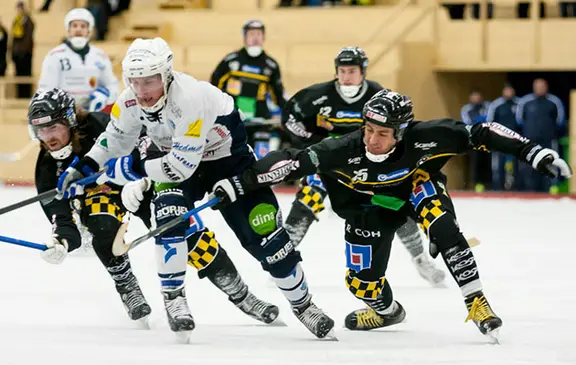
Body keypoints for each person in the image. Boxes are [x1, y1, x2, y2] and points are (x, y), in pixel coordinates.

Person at [210, 89, 572, 342]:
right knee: (361, 284)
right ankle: (387, 311)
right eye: (368, 130)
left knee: (445, 229)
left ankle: (476, 302)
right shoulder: (342, 149)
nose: (372, 140)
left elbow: (482, 132)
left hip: (415, 190)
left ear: (401, 132)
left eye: (382, 134)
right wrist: (240, 183)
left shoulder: (428, 137)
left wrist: (534, 152)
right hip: (370, 211)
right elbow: (291, 159)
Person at [57, 38, 335, 340]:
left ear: (166, 75)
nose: (141, 91)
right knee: (169, 219)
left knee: (267, 236)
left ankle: (305, 306)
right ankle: (175, 300)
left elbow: (180, 167)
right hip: (176, 160)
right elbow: (115, 139)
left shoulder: (188, 97)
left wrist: (133, 170)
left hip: (227, 162)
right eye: (134, 81)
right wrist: (84, 166)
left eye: (149, 81)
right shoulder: (129, 100)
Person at [32, 88, 280, 326]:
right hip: (102, 196)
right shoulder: (45, 169)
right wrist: (61, 242)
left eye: (53, 127)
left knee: (189, 234)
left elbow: (151, 144)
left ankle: (241, 294)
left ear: (70, 120)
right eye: (40, 131)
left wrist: (143, 179)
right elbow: (62, 220)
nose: (49, 138)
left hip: (141, 183)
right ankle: (127, 286)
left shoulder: (103, 125)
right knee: (101, 224)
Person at [282, 47, 445, 287]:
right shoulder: (318, 95)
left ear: (363, 72)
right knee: (307, 199)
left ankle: (420, 259)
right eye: (342, 71)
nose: (346, 76)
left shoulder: (378, 94)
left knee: (393, 207)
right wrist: (311, 140)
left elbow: (402, 127)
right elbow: (290, 116)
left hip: (370, 165)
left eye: (352, 71)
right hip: (331, 163)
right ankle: (283, 258)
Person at [210, 20, 286, 159]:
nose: (255, 38)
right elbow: (215, 87)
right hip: (234, 120)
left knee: (260, 160)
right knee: (233, 159)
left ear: (264, 37)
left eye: (259, 34)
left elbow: (279, 95)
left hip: (260, 121)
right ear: (244, 36)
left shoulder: (271, 65)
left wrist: (288, 113)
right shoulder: (230, 60)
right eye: (251, 34)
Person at [38, 8, 119, 113]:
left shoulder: (100, 56)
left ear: (89, 30)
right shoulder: (55, 56)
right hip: (64, 112)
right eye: (74, 26)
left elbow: (112, 84)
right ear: (68, 29)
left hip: (94, 112)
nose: (78, 30)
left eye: (83, 26)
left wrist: (104, 95)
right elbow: (46, 89)